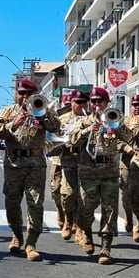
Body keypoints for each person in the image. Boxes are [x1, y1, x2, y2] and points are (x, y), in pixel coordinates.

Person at [0, 79, 60, 261]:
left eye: (28, 94)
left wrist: (42, 114)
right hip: (13, 163)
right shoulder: (7, 112)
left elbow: (56, 127)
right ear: (16, 93)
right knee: (12, 203)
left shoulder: (43, 109)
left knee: (35, 203)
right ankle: (17, 235)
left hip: (35, 163)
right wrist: (13, 124)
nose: (24, 96)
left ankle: (31, 243)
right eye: (21, 93)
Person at [69, 87, 133, 265]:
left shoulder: (114, 119)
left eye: (100, 101)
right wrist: (88, 129)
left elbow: (129, 137)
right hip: (88, 171)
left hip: (109, 171)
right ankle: (86, 232)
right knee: (86, 209)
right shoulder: (83, 121)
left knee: (110, 210)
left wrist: (117, 125)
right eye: (94, 101)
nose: (96, 105)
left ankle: (106, 248)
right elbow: (72, 140)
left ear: (107, 103)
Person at [54, 89, 89, 240]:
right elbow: (54, 137)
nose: (81, 105)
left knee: (82, 196)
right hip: (65, 157)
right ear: (72, 103)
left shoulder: (91, 119)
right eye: (77, 102)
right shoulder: (62, 119)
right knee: (61, 193)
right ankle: (66, 217)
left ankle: (76, 224)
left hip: (84, 159)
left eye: (83, 102)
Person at [120, 94, 139, 235]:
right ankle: (128, 216)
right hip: (126, 161)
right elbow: (116, 139)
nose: (136, 108)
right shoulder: (124, 121)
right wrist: (126, 148)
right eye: (134, 105)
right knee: (126, 193)